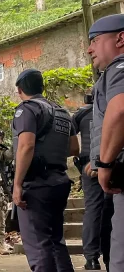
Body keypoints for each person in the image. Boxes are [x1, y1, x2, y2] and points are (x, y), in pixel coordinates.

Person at [11, 69, 79, 272]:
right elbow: (74, 148)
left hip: (36, 184)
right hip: (59, 181)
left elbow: (26, 146)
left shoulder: (27, 109)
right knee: (56, 242)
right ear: (42, 87)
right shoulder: (62, 112)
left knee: (39, 245)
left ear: (20, 89)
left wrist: (16, 184)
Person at [85, 13, 124, 272]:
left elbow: (120, 109)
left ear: (120, 38)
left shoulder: (119, 68)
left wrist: (105, 163)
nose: (89, 49)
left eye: (95, 40)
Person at [72, 101, 103, 270]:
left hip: (90, 166)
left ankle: (92, 258)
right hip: (115, 162)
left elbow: (67, 133)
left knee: (93, 210)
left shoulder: (83, 113)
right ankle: (111, 254)